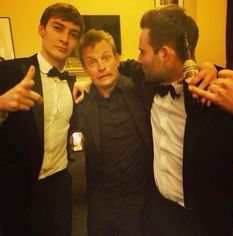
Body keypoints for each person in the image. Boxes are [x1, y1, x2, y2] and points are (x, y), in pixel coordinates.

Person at [120, 5, 233, 236]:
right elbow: (121, 66)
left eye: (143, 51)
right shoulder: (147, 82)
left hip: (204, 223)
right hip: (158, 213)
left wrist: (214, 69)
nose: (139, 59)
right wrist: (84, 83)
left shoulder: (217, 101)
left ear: (164, 54)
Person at [0, 3, 84, 236]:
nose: (65, 38)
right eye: (58, 28)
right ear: (41, 29)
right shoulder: (9, 72)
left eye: (73, 34)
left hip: (59, 188)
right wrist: (1, 104)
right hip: (18, 189)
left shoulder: (69, 82)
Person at [73, 29, 155, 236]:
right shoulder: (79, 104)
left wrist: (208, 68)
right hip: (102, 200)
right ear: (84, 68)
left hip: (141, 196)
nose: (101, 67)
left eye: (106, 58)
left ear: (117, 59)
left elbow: (174, 69)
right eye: (92, 62)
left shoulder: (140, 87)